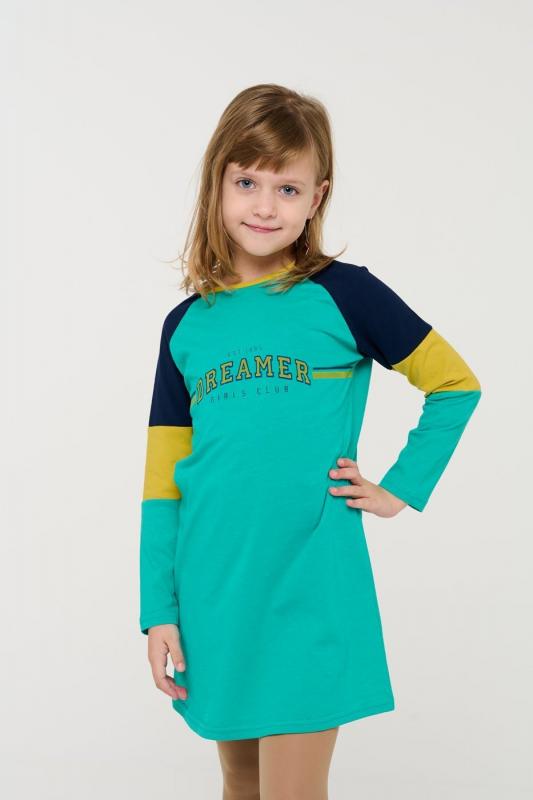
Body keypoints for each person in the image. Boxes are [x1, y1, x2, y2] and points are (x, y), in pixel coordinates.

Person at [138, 83, 482, 799]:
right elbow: (164, 484)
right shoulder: (185, 327)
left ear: (316, 197)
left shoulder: (344, 294)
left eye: (287, 188)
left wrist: (399, 487)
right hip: (213, 590)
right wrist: (158, 608)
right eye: (247, 182)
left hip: (309, 587)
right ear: (217, 184)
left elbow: (454, 384)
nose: (265, 206)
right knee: (239, 781)